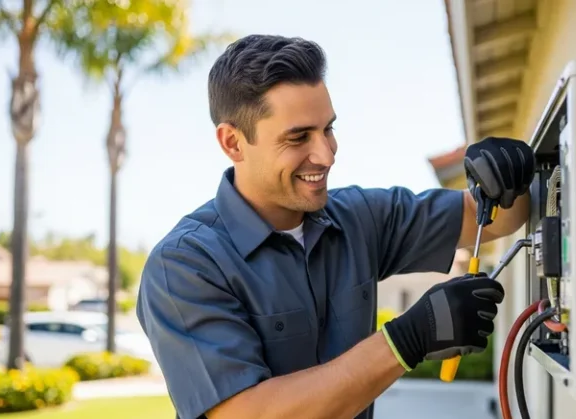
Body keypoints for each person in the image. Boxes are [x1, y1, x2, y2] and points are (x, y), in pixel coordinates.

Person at [135, 34, 536, 419]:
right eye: (298, 137)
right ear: (233, 143)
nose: (326, 155)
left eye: (328, 128)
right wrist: (407, 340)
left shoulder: (361, 218)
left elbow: (499, 220)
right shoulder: (184, 266)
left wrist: (505, 180)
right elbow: (249, 413)